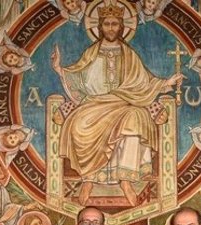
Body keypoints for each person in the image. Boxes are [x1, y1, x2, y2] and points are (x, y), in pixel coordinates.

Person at [51, 3, 183, 205]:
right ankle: (89, 179)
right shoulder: (91, 53)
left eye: (114, 24)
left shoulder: (129, 54)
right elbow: (76, 77)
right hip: (93, 105)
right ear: (100, 27)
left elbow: (144, 82)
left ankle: (126, 179)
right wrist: (59, 68)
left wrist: (166, 83)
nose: (111, 28)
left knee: (136, 118)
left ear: (121, 27)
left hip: (124, 103)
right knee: (79, 125)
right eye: (107, 24)